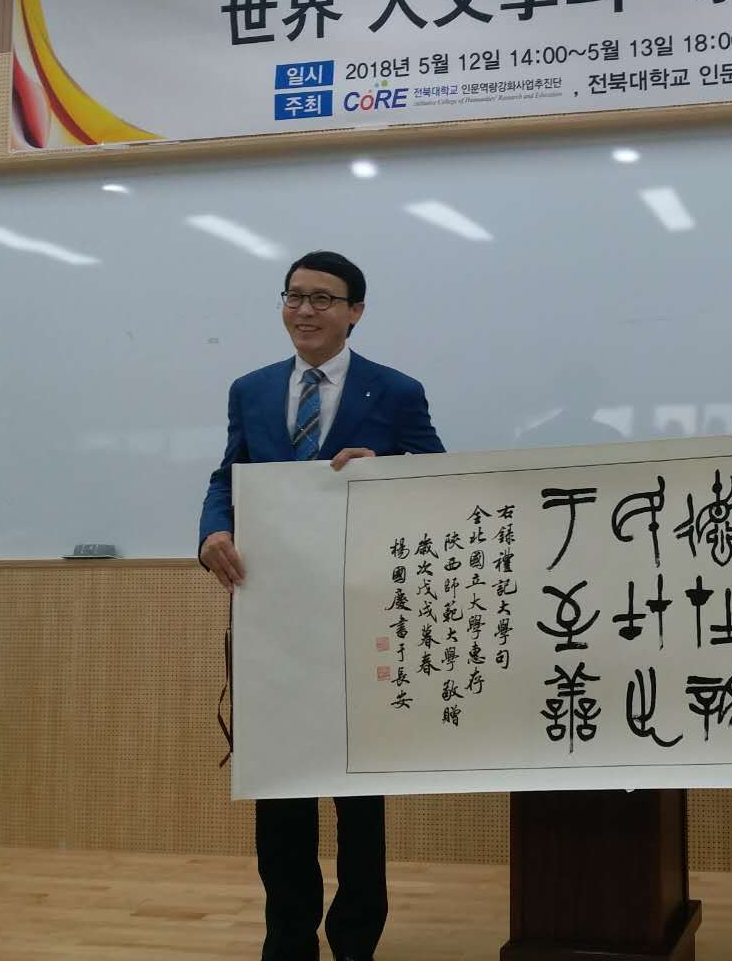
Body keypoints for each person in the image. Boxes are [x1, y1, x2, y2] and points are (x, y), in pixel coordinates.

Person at [198, 250, 444, 961]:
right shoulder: (251, 388)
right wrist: (212, 532)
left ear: (355, 312)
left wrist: (384, 471)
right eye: (294, 296)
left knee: (358, 795)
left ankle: (356, 938)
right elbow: (227, 477)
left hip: (361, 614)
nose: (304, 310)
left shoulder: (394, 391)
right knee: (280, 790)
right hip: (273, 618)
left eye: (323, 298)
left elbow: (438, 477)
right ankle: (288, 936)